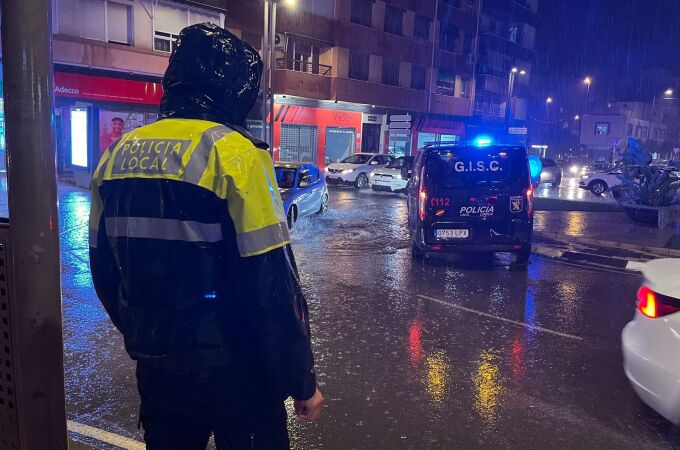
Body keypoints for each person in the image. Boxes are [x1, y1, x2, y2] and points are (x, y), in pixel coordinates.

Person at [89, 23, 323, 449]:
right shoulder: (236, 153)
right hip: (238, 373)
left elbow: (105, 273)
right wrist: (300, 380)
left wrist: (148, 333)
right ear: (235, 89)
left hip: (159, 370)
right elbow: (269, 285)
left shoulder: (116, 155)